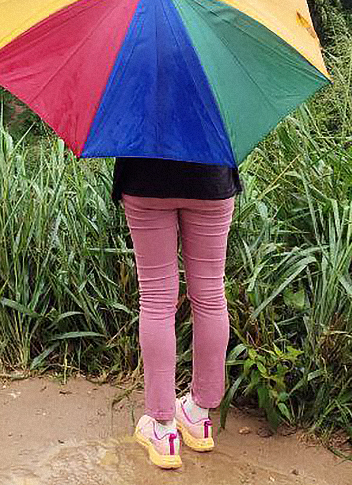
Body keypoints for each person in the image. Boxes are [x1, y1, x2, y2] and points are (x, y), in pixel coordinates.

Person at [117, 157, 238, 469]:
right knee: (211, 296)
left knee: (157, 300)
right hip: (211, 178)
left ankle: (162, 428)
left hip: (145, 179)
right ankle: (199, 416)